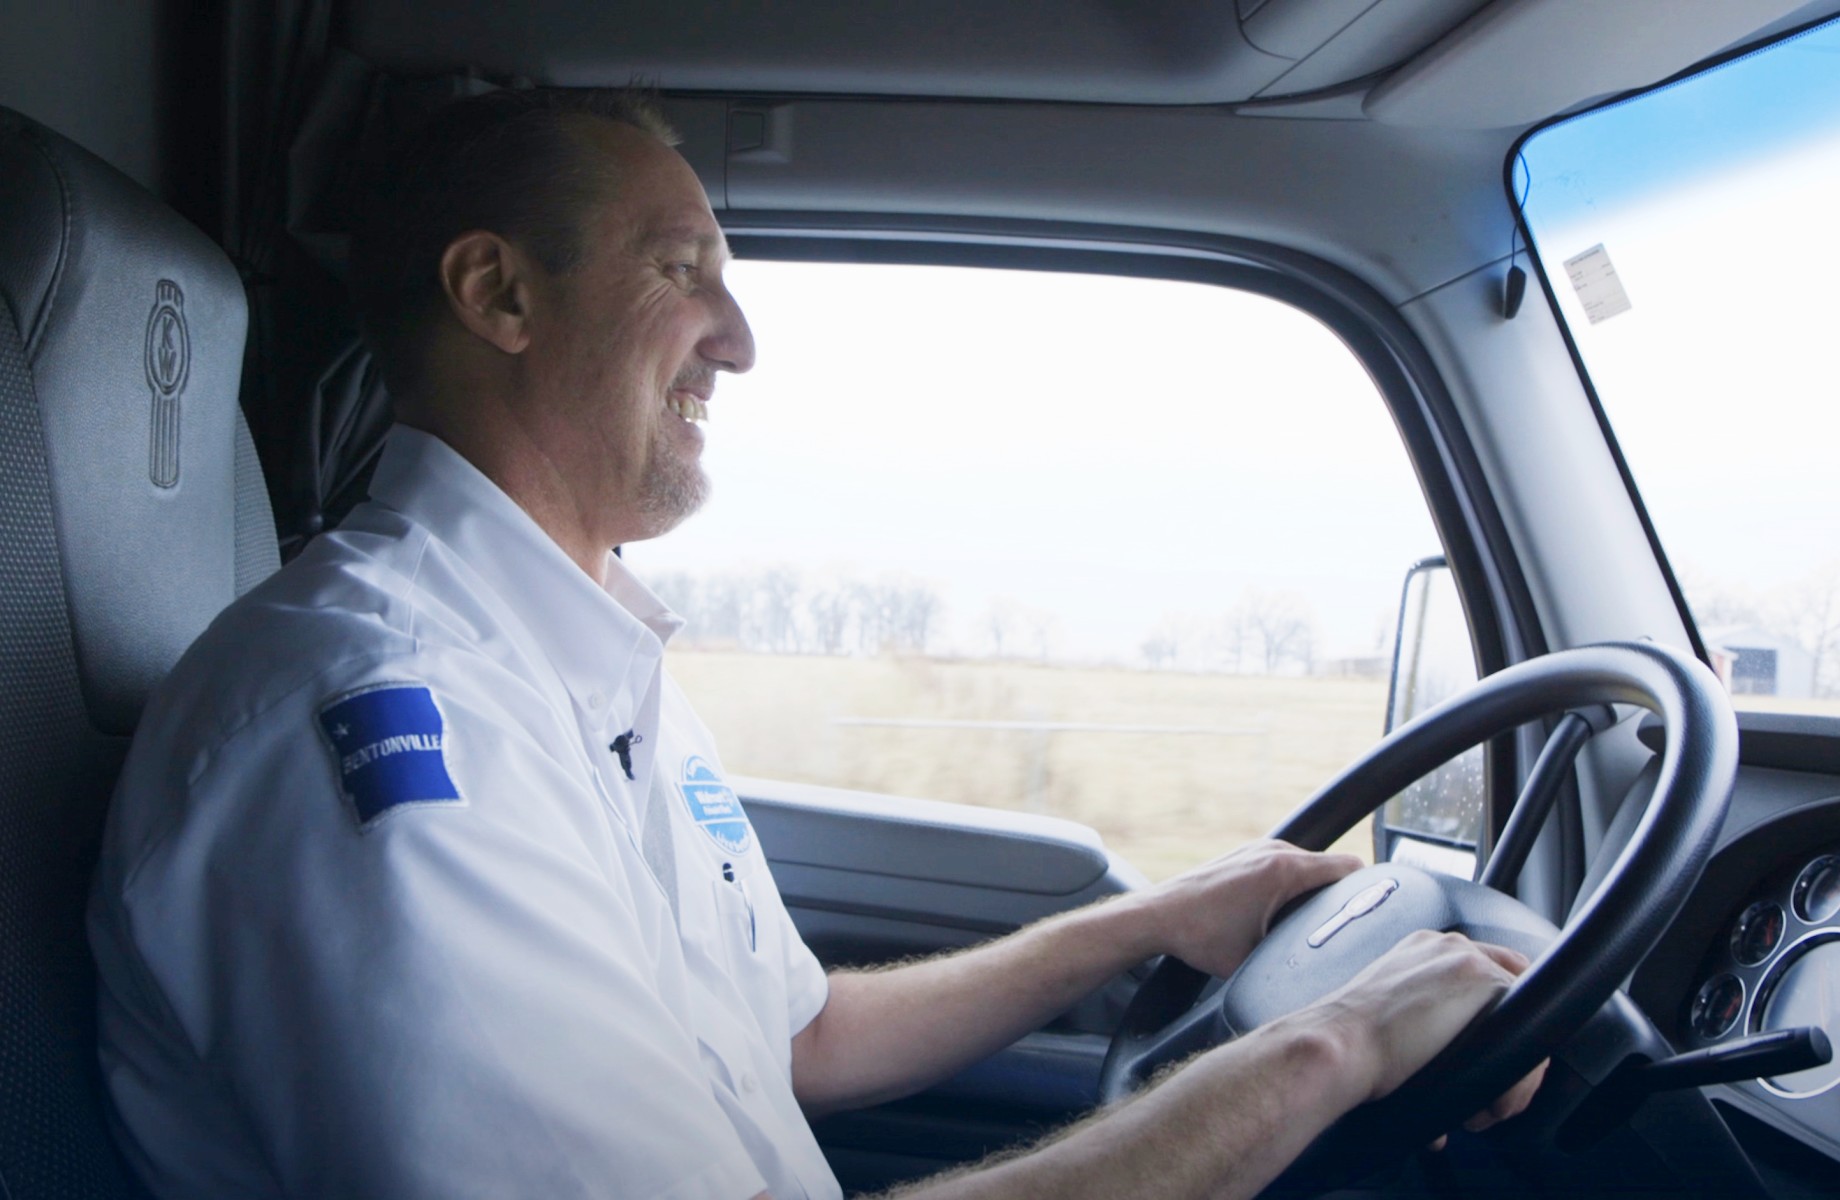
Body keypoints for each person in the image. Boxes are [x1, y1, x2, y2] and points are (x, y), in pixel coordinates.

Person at [89, 88, 1542, 1200]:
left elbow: (798, 1038)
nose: (739, 338)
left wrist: (1150, 919)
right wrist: (1328, 1049)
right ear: (501, 295)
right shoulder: (376, 715)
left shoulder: (579, 667)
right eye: (682, 269)